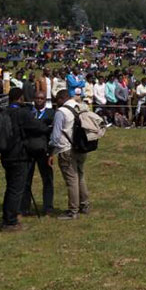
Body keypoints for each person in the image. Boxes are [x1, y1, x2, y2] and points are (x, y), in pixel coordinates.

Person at [0, 87, 52, 232]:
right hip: (19, 155)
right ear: (21, 98)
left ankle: (8, 217)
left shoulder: (4, 112)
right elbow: (38, 127)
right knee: (16, 189)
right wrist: (48, 126)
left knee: (10, 188)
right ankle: (10, 222)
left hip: (5, 155)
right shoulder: (22, 113)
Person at [48, 90, 90, 220]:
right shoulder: (81, 107)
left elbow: (56, 136)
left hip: (66, 148)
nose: (56, 103)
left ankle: (73, 210)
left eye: (57, 100)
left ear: (61, 98)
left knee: (71, 180)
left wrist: (51, 151)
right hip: (81, 147)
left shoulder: (61, 112)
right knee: (80, 176)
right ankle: (85, 204)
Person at [20, 91, 55, 216]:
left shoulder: (51, 113)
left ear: (45, 100)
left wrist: (51, 152)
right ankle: (24, 207)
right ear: (33, 99)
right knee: (26, 179)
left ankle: (48, 207)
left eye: (42, 98)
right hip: (28, 150)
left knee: (47, 180)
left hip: (44, 150)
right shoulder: (28, 113)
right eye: (37, 98)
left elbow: (52, 133)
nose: (39, 100)